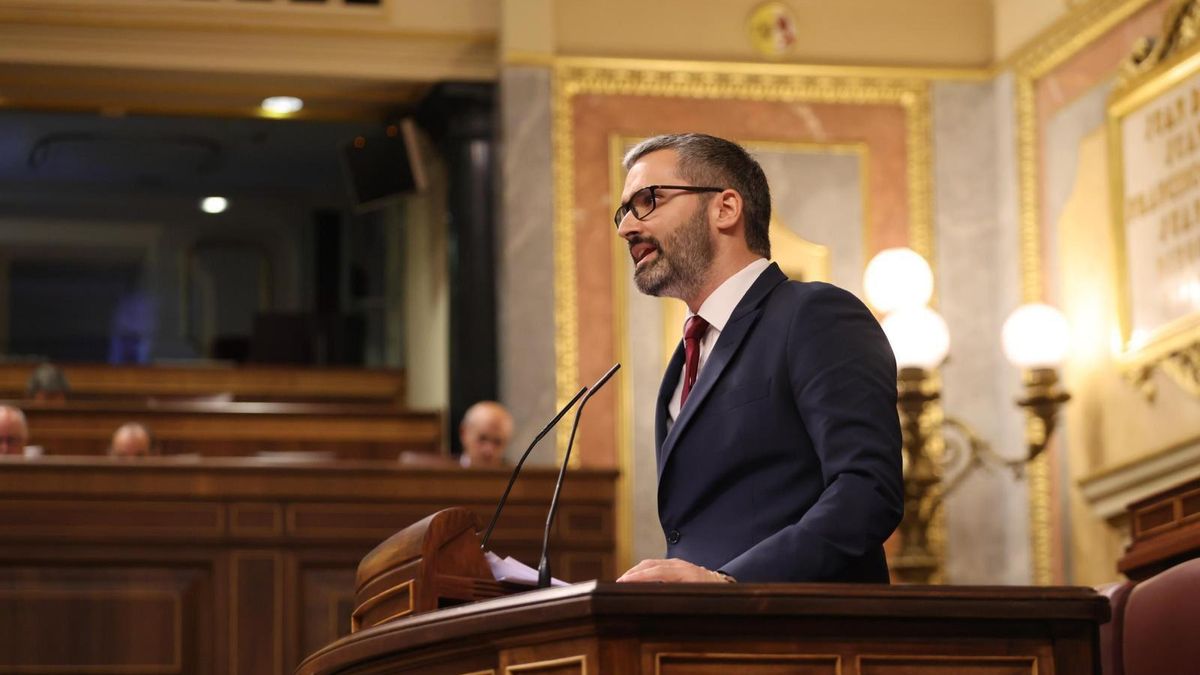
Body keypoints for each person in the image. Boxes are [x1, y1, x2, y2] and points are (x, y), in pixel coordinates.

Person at [613, 133, 903, 584]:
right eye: (624, 210)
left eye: (648, 200)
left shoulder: (814, 315)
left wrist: (731, 583)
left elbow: (867, 490)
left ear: (725, 208)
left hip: (801, 638)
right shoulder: (687, 357)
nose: (626, 227)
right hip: (705, 640)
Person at [457, 401, 513, 468]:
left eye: (497, 442)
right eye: (482, 439)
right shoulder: (444, 474)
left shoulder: (516, 476)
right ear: (463, 433)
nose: (488, 451)